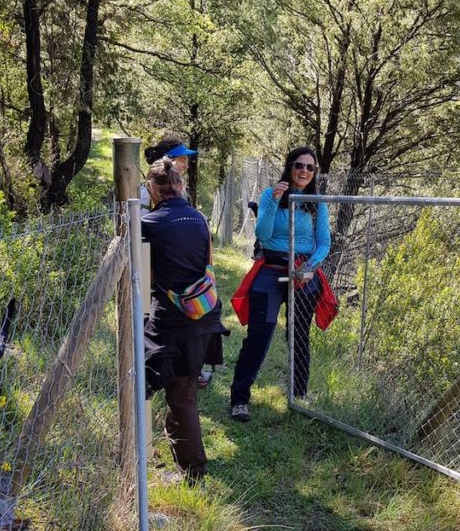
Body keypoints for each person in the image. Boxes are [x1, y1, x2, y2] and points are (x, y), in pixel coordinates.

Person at [141, 157, 228, 480]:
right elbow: (206, 262)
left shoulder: (150, 222)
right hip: (203, 314)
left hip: (169, 322)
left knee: (174, 390)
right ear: (180, 185)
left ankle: (192, 470)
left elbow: (141, 273)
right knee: (183, 389)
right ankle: (178, 457)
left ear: (153, 188)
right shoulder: (199, 218)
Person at [229, 146, 331, 422]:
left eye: (310, 167)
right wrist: (274, 201)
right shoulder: (270, 194)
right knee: (259, 336)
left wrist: (309, 268)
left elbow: (324, 242)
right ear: (290, 166)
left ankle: (299, 397)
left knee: (298, 337)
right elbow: (263, 233)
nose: (304, 171)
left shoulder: (317, 202)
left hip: (304, 272)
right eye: (300, 165)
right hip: (271, 268)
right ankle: (239, 398)